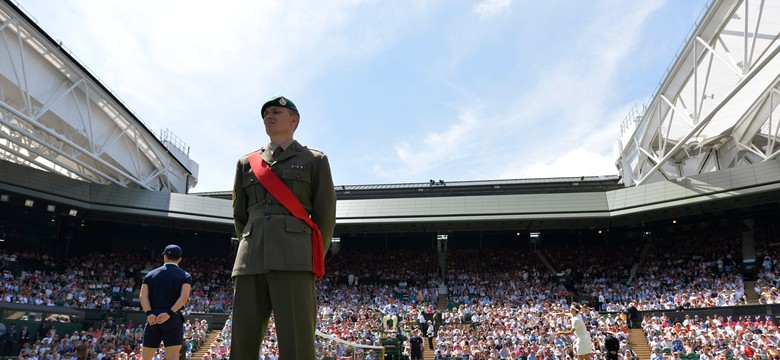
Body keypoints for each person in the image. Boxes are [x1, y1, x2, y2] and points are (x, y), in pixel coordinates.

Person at [230, 95, 337, 359]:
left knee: (298, 342)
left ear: (294, 120)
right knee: (242, 340)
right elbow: (239, 216)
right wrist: (252, 242)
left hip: (294, 259)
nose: (269, 115)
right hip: (251, 257)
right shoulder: (247, 163)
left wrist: (310, 257)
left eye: (276, 111)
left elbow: (325, 216)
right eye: (266, 113)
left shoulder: (314, 160)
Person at [140, 244, 192, 360]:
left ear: (164, 257)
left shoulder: (150, 275)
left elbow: (142, 296)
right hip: (172, 319)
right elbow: (184, 297)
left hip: (152, 318)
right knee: (173, 356)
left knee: (146, 357)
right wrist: (169, 313)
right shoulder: (185, 276)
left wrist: (149, 313)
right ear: (180, 259)